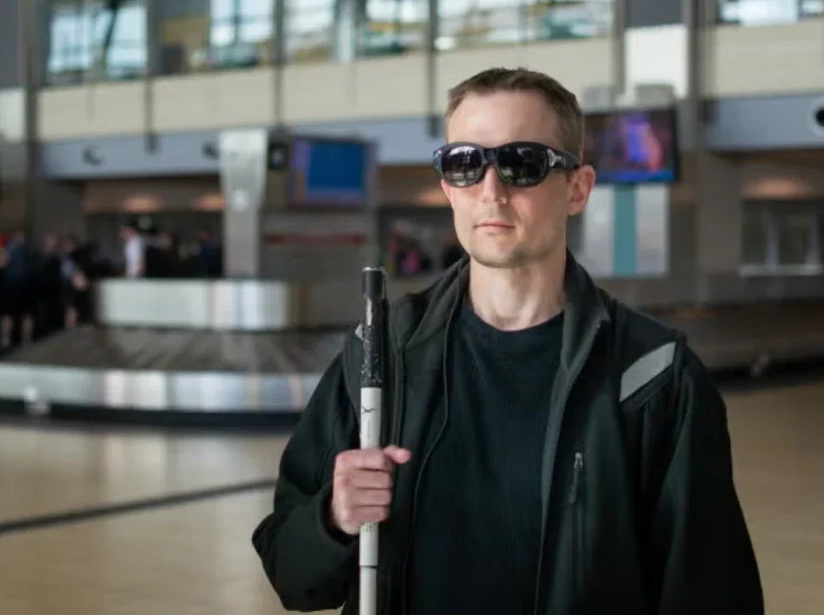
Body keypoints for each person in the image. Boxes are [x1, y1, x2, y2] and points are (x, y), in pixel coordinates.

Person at [252, 67, 763, 614]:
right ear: (449, 186)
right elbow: (293, 576)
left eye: (522, 164)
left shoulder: (651, 377)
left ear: (577, 188)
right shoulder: (384, 354)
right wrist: (333, 518)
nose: (491, 190)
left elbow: (710, 594)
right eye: (465, 164)